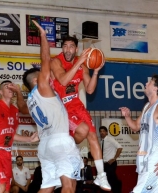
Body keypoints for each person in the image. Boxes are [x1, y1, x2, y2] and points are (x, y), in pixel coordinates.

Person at [10, 20, 83, 193]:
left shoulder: (30, 100)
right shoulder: (42, 87)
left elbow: (21, 108)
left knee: (47, 187)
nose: (48, 75)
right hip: (60, 142)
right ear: (36, 80)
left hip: (44, 147)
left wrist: (19, 94)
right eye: (43, 74)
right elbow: (45, 60)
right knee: (69, 186)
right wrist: (43, 36)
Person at [49, 35, 110, 191]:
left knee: (92, 135)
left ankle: (101, 176)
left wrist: (95, 72)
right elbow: (63, 80)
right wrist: (79, 63)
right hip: (60, 107)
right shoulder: (56, 61)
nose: (68, 49)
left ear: (76, 49)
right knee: (82, 130)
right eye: (65, 46)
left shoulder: (82, 66)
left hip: (76, 104)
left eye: (71, 46)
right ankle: (68, 146)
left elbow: (89, 89)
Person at [119, 74, 158, 193]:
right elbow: (135, 127)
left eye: (149, 82)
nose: (145, 84)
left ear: (155, 88)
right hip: (143, 159)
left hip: (156, 160)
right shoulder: (147, 107)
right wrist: (127, 117)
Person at [99, 126, 122, 193]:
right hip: (104, 164)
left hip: (111, 163)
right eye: (101, 131)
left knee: (110, 180)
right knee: (106, 180)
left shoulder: (110, 139)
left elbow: (120, 147)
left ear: (106, 132)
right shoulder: (101, 141)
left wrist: (114, 158)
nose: (102, 132)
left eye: (103, 131)